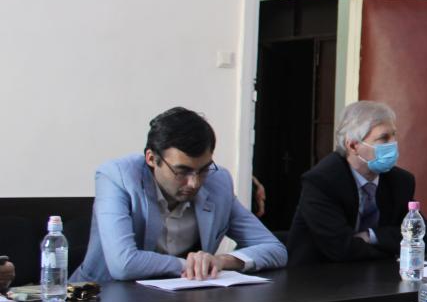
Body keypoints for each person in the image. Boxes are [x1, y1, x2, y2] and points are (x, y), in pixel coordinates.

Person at [73, 107, 286, 282]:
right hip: (99, 299)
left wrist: (220, 261)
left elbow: (274, 249)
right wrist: (189, 265)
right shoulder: (117, 176)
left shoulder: (218, 182)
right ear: (151, 159)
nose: (194, 183)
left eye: (203, 170)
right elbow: (123, 264)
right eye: (182, 171)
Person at [287, 100, 427, 265]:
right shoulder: (322, 181)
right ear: (352, 145)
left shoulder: (400, 181)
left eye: (394, 135)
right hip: (319, 275)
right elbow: (341, 248)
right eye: (384, 138)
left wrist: (371, 236)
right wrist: (392, 250)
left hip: (377, 274)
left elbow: (425, 237)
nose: (393, 144)